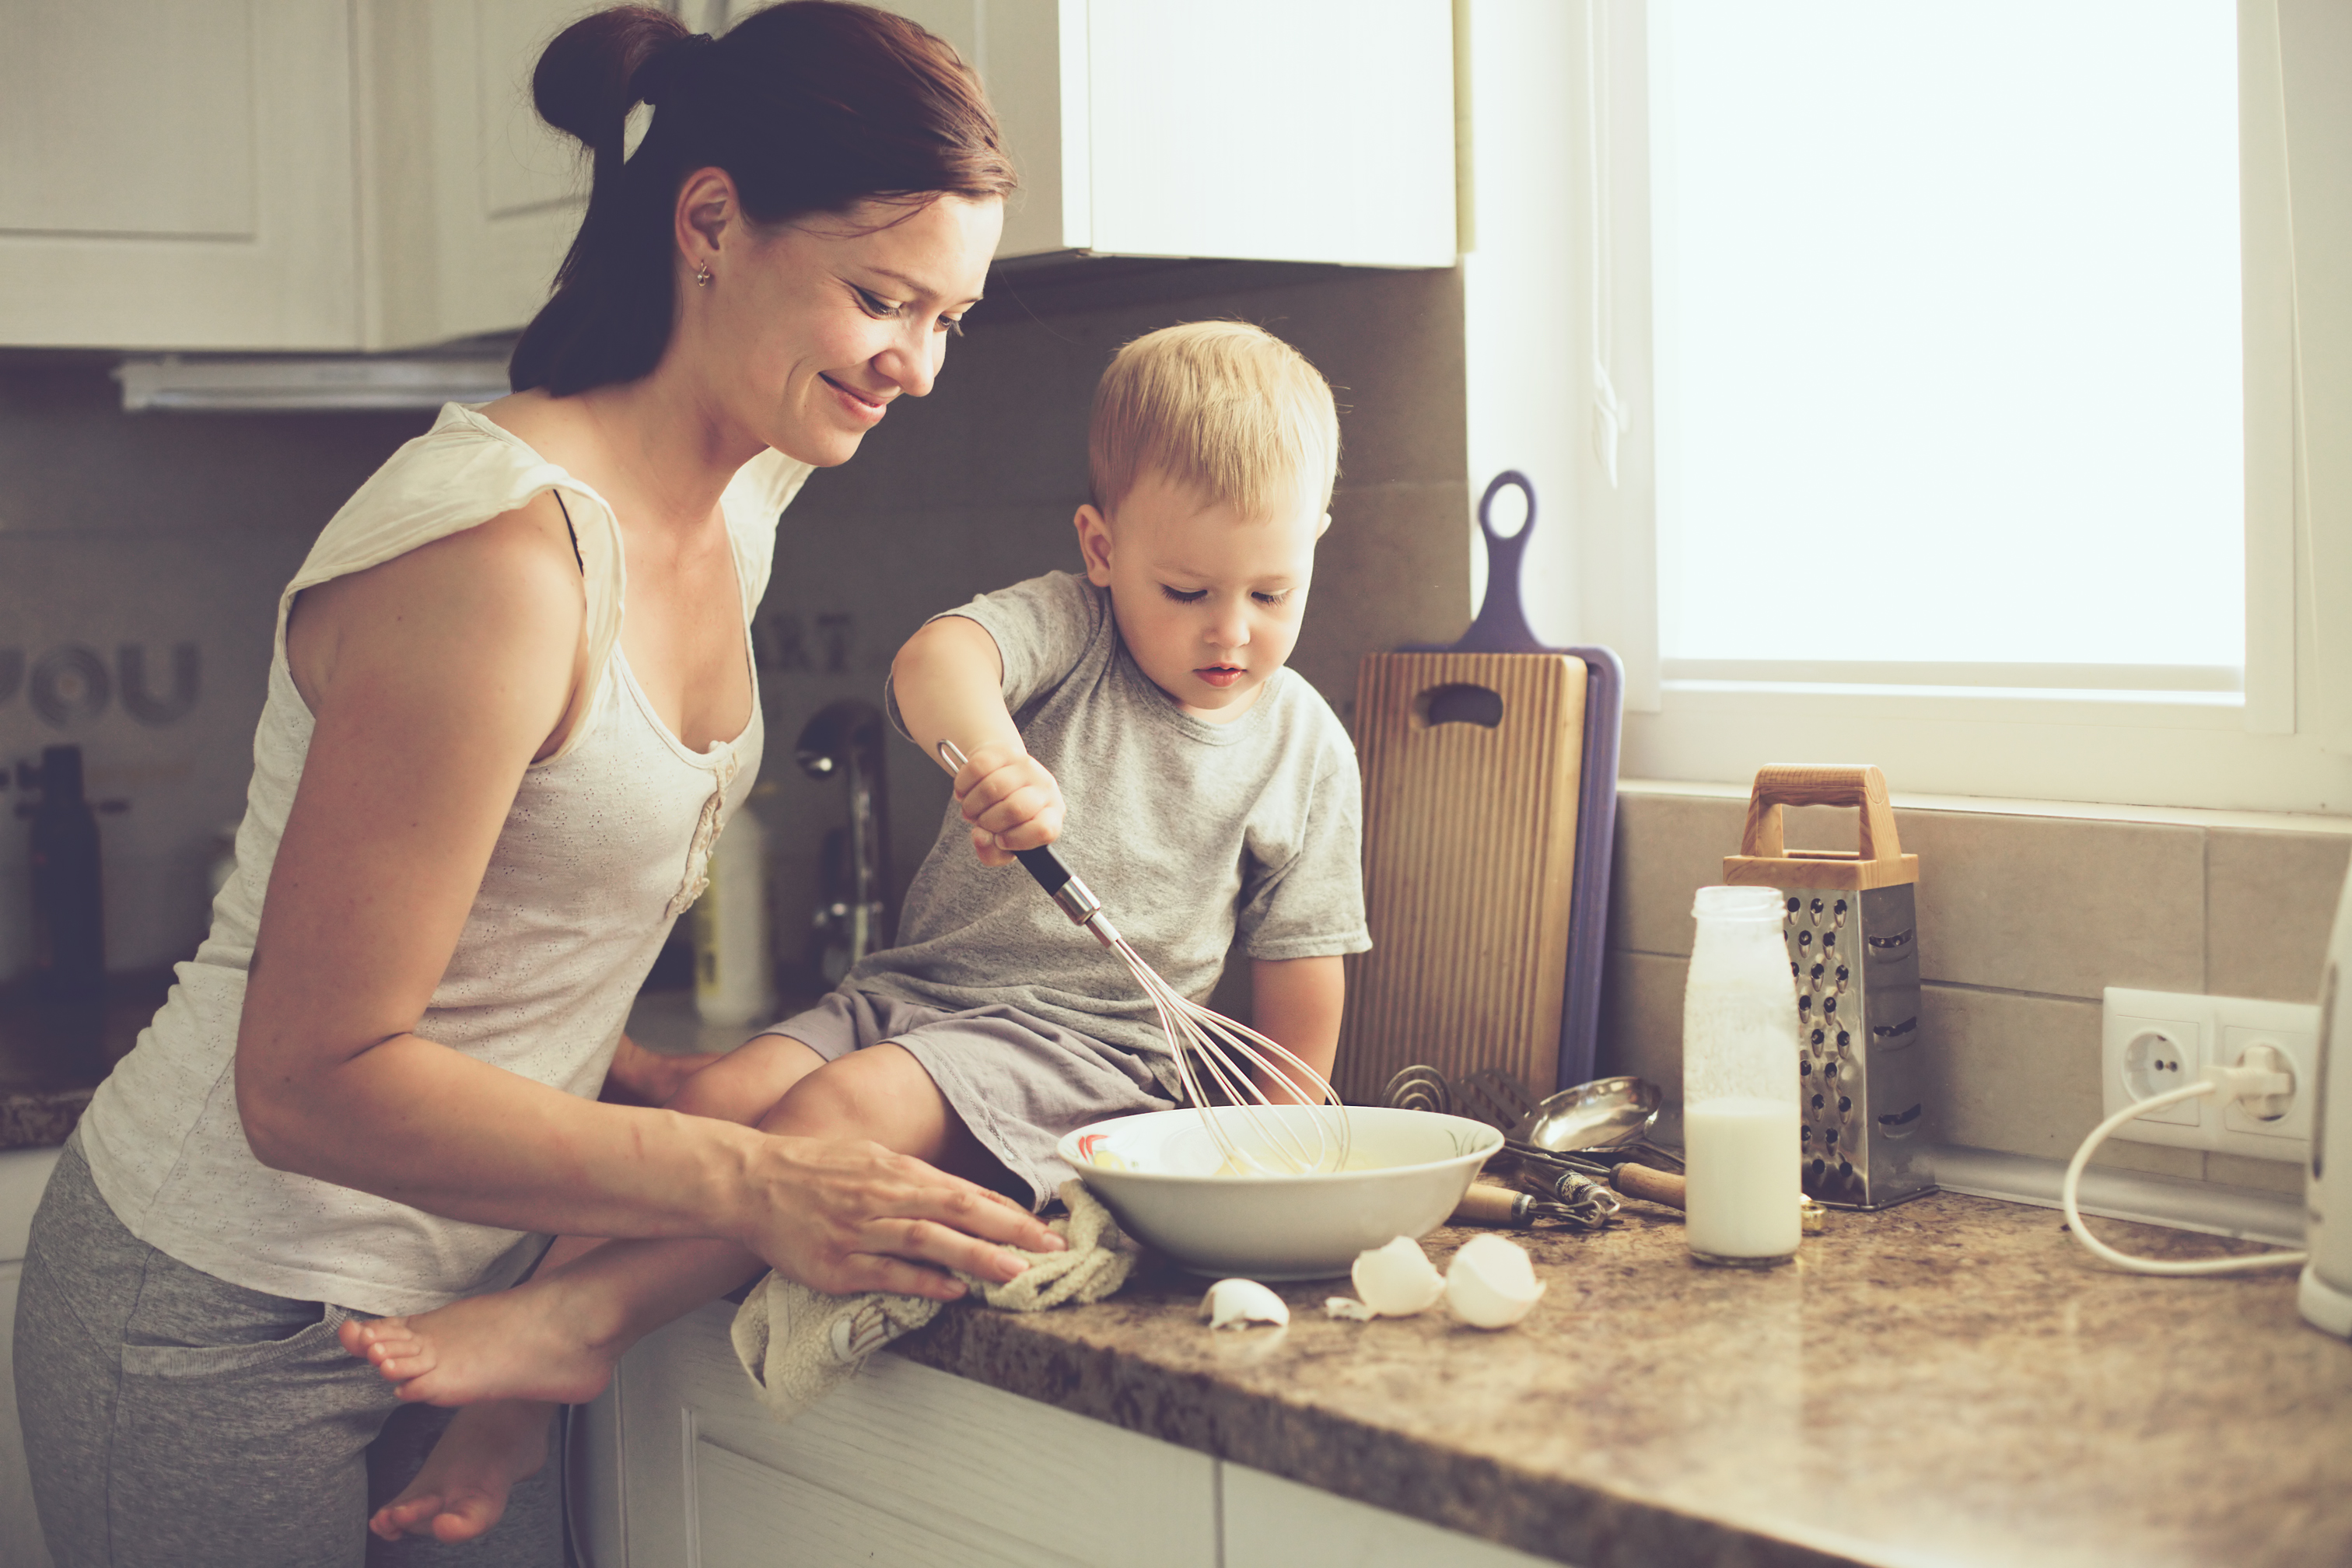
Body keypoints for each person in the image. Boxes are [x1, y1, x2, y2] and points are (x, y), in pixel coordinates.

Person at [10, 7, 1070, 1566]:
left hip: (474, 1300)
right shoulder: (503, 560)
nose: (914, 366)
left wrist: (649, 1080)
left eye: (951, 316)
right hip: (218, 1317)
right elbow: (305, 1077)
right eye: (878, 297)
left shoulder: (749, 484)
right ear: (707, 222)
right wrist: (753, 1179)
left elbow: (508, 922)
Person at [336, 318, 1373, 1520]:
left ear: (1316, 549)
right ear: (1100, 547)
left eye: (1272, 590)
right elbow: (936, 659)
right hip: (915, 994)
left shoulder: (1305, 748)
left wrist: (1268, 1183)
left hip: (1089, 1053)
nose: (1230, 630)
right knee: (715, 1111)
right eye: (1186, 589)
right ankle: (509, 1414)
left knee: (833, 1118)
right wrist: (988, 754)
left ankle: (580, 1317)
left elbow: (1302, 1013)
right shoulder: (1069, 632)